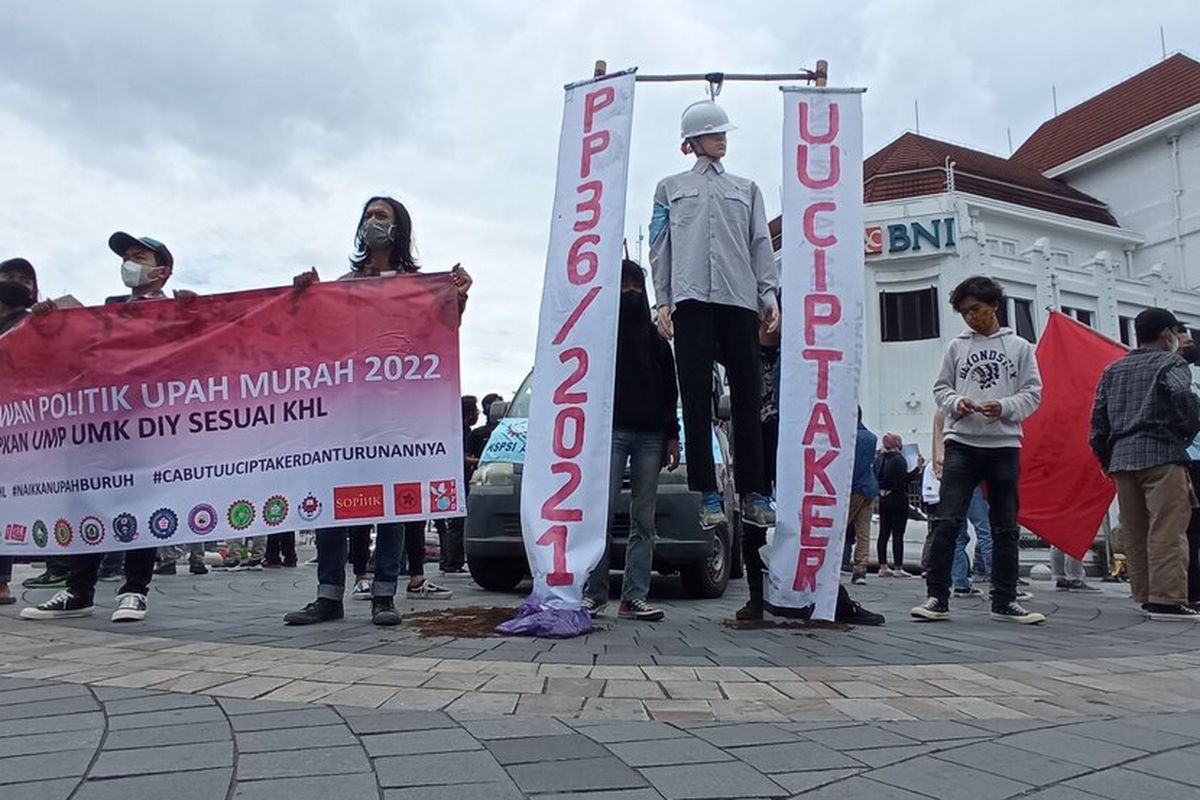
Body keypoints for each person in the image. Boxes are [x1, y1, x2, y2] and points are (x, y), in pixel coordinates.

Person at [285, 196, 469, 626]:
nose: (372, 222)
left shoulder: (418, 287)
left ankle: (384, 595)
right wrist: (303, 298)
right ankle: (328, 595)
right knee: (331, 503)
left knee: (392, 505)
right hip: (344, 416)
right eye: (367, 216)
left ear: (399, 228)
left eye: (381, 216)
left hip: (395, 416)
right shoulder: (341, 285)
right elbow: (312, 340)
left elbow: (439, 336)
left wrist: (458, 298)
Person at [22, 232, 190, 623]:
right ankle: (79, 591)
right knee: (87, 501)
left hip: (150, 427)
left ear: (163, 271)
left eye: (139, 256)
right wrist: (49, 324)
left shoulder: (183, 311)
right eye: (127, 256)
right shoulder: (102, 313)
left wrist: (194, 315)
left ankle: (134, 591)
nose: (129, 263)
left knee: (143, 504)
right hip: (99, 426)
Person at [650, 99, 779, 531]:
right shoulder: (669, 188)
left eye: (724, 132)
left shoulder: (747, 189)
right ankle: (707, 494)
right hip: (690, 299)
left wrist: (769, 294)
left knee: (747, 396)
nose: (722, 138)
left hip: (739, 299)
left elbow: (761, 242)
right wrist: (662, 298)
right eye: (714, 132)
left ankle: (755, 492)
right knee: (696, 396)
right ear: (692, 141)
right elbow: (659, 245)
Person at [913, 275, 1044, 624]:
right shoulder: (956, 347)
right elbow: (941, 389)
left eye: (977, 309)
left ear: (994, 305)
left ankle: (1004, 599)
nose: (972, 318)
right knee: (947, 519)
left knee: (1005, 525)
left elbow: (1033, 393)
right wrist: (957, 402)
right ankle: (937, 597)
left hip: (1003, 444)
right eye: (965, 313)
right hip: (962, 443)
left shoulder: (1020, 347)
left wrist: (1004, 407)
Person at [581, 260, 680, 622]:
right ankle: (595, 594)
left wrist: (673, 436)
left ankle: (633, 596)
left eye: (636, 285)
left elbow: (670, 391)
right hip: (610, 433)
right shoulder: (599, 337)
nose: (631, 292)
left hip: (652, 436)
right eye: (623, 285)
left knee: (644, 519)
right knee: (600, 516)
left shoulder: (658, 340)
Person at [1089, 307, 1199, 620]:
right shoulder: (1171, 362)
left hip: (1123, 458)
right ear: (1167, 335)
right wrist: (1182, 435)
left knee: (1135, 530)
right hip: (1162, 454)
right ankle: (1166, 599)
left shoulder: (1113, 370)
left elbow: (1098, 419)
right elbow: (1185, 401)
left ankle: (1144, 592)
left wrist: (1106, 455)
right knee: (1167, 526)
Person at [0, 257, 40, 605]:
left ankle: (0, 580)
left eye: (24, 278)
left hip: (20, 426)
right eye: (8, 276)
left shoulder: (39, 322)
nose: (15, 282)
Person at [875, 434, 916, 577]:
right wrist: (918, 467)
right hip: (897, 498)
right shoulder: (899, 459)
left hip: (882, 497)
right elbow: (904, 479)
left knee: (883, 533)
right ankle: (898, 567)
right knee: (898, 534)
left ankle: (883, 566)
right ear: (898, 443)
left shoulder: (879, 459)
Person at [849, 409, 879, 586]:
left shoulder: (849, 438)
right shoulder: (871, 437)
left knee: (839, 528)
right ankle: (861, 569)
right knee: (863, 532)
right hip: (869, 487)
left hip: (853, 487)